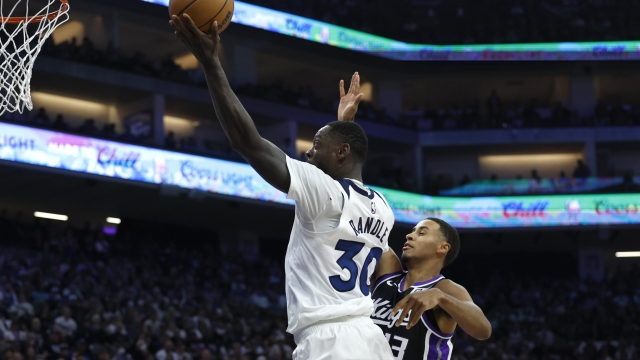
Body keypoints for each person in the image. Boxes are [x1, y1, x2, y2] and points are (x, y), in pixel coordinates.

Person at [170, 16, 395, 360]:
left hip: (332, 342)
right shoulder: (382, 206)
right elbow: (343, 179)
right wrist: (343, 126)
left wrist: (211, 63)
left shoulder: (325, 193)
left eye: (316, 144)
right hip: (367, 337)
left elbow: (247, 142)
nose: (307, 151)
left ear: (341, 152)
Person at [370, 218, 491, 359]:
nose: (409, 236)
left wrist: (441, 298)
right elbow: (372, 232)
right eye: (412, 231)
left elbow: (483, 330)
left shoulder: (444, 288)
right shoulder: (388, 275)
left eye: (421, 233)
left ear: (443, 247)